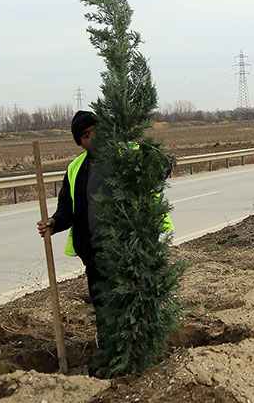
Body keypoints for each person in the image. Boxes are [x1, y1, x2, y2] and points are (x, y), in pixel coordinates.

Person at [35, 111, 172, 351]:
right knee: (105, 309)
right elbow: (68, 207)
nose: (93, 138)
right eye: (85, 136)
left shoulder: (129, 152)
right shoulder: (75, 168)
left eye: (96, 131)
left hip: (133, 250)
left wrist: (141, 155)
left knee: (137, 306)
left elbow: (163, 167)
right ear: (80, 142)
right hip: (96, 254)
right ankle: (111, 354)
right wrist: (55, 222)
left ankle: (143, 353)